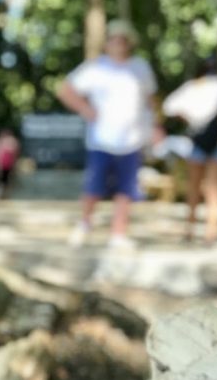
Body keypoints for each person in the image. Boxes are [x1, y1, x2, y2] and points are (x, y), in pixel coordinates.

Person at [56, 20, 158, 249]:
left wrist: (155, 127)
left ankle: (118, 234)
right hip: (101, 140)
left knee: (126, 189)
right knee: (93, 187)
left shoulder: (140, 67)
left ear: (129, 42)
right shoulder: (95, 67)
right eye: (114, 38)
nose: (118, 43)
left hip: (132, 140)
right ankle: (84, 224)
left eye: (123, 39)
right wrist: (85, 108)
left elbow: (151, 100)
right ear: (107, 42)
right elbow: (65, 90)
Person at [162, 56, 217, 244]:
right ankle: (210, 234)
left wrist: (190, 120)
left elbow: (169, 107)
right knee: (214, 188)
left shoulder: (192, 87)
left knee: (194, 186)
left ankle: (190, 229)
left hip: (197, 143)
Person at [0, 128, 20, 198]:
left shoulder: (12, 142)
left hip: (8, 166)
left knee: (6, 182)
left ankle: (5, 196)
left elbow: (15, 153)